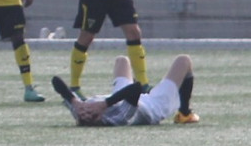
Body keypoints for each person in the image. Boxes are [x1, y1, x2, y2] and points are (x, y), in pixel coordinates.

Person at [51, 55, 200, 126]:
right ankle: (184, 114)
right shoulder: (117, 119)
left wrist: (75, 102)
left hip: (119, 96)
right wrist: (104, 104)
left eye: (83, 115)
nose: (86, 113)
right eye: (91, 116)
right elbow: (136, 88)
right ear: (99, 118)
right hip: (151, 105)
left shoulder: (80, 110)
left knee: (122, 60)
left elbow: (56, 81)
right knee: (184, 61)